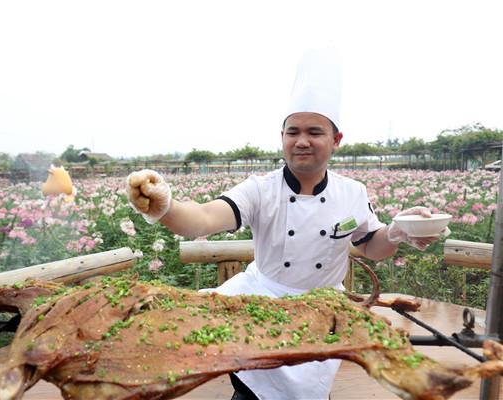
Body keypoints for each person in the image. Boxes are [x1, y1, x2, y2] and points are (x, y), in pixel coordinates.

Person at [125, 48, 441, 400]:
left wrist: (397, 231)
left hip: (322, 312)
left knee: (306, 387)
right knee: (249, 381)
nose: (301, 141)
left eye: (314, 132)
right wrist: (166, 206)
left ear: (336, 140)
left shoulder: (352, 193)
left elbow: (372, 246)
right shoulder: (261, 190)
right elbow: (202, 219)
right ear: (282, 138)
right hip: (262, 302)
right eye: (293, 132)